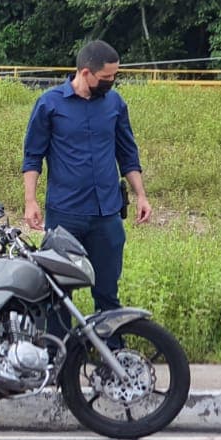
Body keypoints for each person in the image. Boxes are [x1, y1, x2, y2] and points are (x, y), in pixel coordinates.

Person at [22, 39, 152, 323]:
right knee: (58, 296)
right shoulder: (49, 104)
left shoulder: (115, 104)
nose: (112, 82)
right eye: (107, 77)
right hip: (65, 214)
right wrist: (30, 201)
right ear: (85, 72)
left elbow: (127, 152)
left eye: (115, 76)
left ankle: (111, 355)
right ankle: (62, 358)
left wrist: (141, 194)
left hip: (107, 214)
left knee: (107, 293)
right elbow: (33, 156)